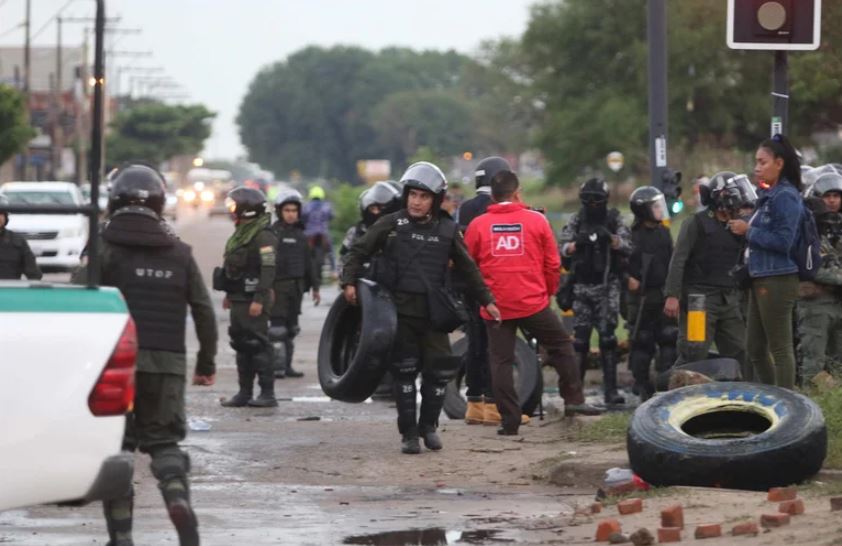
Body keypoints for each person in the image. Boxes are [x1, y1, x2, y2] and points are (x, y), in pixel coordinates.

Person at [72, 163, 217, 546]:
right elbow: (204, 310)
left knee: (117, 452)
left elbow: (77, 298)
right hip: (167, 363)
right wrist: (206, 364)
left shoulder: (103, 247)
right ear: (158, 201)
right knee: (165, 444)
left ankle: (121, 538)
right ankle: (178, 499)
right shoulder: (180, 253)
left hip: (115, 365)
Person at [341, 161, 501, 454]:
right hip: (398, 313)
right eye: (413, 194)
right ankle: (409, 434)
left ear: (435, 199)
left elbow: (469, 270)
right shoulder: (391, 224)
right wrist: (349, 282)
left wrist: (488, 301)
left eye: (424, 196)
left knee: (438, 373)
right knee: (404, 372)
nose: (416, 201)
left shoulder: (448, 230)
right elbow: (357, 251)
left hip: (434, 314)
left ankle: (429, 427)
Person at [465, 170, 600, 434]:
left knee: (501, 361)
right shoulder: (537, 221)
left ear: (492, 196)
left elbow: (470, 266)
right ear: (517, 193)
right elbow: (552, 263)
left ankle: (510, 421)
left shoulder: (478, 225)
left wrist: (483, 297)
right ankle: (574, 401)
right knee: (562, 346)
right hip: (533, 302)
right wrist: (546, 293)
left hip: (495, 306)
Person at [727, 134, 803, 389]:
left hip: (778, 278)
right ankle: (773, 398)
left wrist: (747, 230)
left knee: (780, 349)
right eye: (756, 162)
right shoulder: (768, 195)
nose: (757, 167)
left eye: (762, 162)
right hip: (760, 276)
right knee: (755, 349)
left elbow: (784, 241)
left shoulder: (786, 196)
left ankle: (788, 406)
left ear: (779, 163)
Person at [663, 172, 750, 377]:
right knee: (694, 351)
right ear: (722, 196)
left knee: (741, 350)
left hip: (728, 299)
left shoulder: (739, 226)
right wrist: (672, 295)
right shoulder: (696, 223)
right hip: (698, 301)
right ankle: (677, 392)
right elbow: (678, 260)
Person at [559, 178, 631, 405]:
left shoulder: (614, 218)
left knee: (608, 339)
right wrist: (576, 245)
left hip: (607, 285)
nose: (592, 205)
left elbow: (628, 245)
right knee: (579, 341)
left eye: (597, 200)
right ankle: (575, 392)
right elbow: (562, 247)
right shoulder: (576, 219)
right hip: (581, 286)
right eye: (587, 200)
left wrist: (610, 239)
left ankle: (610, 391)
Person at [456, 156, 511, 426]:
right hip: (492, 286)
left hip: (468, 285)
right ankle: (493, 405)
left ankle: (473, 404)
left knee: (475, 345)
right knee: (495, 347)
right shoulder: (497, 207)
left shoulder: (465, 208)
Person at [216, 187, 279, 407]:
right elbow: (234, 267)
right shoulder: (242, 233)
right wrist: (229, 294)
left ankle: (267, 394)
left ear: (246, 209)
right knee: (241, 345)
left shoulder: (263, 235)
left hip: (254, 300)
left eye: (234, 206)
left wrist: (259, 300)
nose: (231, 210)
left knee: (258, 344)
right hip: (239, 298)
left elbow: (268, 270)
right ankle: (244, 392)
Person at [626, 186, 676, 400]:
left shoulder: (664, 233)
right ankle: (643, 388)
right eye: (655, 206)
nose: (660, 210)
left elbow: (673, 261)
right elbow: (621, 265)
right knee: (642, 343)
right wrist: (628, 279)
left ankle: (664, 387)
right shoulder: (632, 236)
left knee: (668, 339)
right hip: (642, 299)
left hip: (663, 295)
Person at [269, 189, 321, 379]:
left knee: (291, 329)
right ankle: (276, 366)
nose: (291, 214)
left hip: (296, 289)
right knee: (276, 330)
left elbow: (310, 263)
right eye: (287, 210)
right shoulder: (272, 234)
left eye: (294, 210)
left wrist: (315, 288)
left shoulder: (302, 236)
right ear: (280, 211)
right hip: (277, 288)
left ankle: (288, 365)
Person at [797, 173, 842, 384]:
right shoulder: (807, 228)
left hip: (837, 303)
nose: (832, 201)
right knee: (812, 362)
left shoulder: (836, 228)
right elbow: (812, 268)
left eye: (836, 195)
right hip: (815, 304)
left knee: (837, 364)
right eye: (827, 196)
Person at [337, 180, 401, 277]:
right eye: (373, 209)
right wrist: (347, 279)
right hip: (360, 280)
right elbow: (344, 258)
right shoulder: (356, 231)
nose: (377, 213)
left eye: (381, 208)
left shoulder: (398, 231)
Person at [0, 195, 42, 280]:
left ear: (5, 216)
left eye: (0, 213)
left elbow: (34, 274)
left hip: (10, 290)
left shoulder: (17, 242)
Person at [302, 185, 334, 278]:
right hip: (323, 233)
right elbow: (331, 216)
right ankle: (334, 270)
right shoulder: (327, 205)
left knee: (301, 249)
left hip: (309, 233)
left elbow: (303, 218)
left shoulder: (306, 206)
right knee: (330, 250)